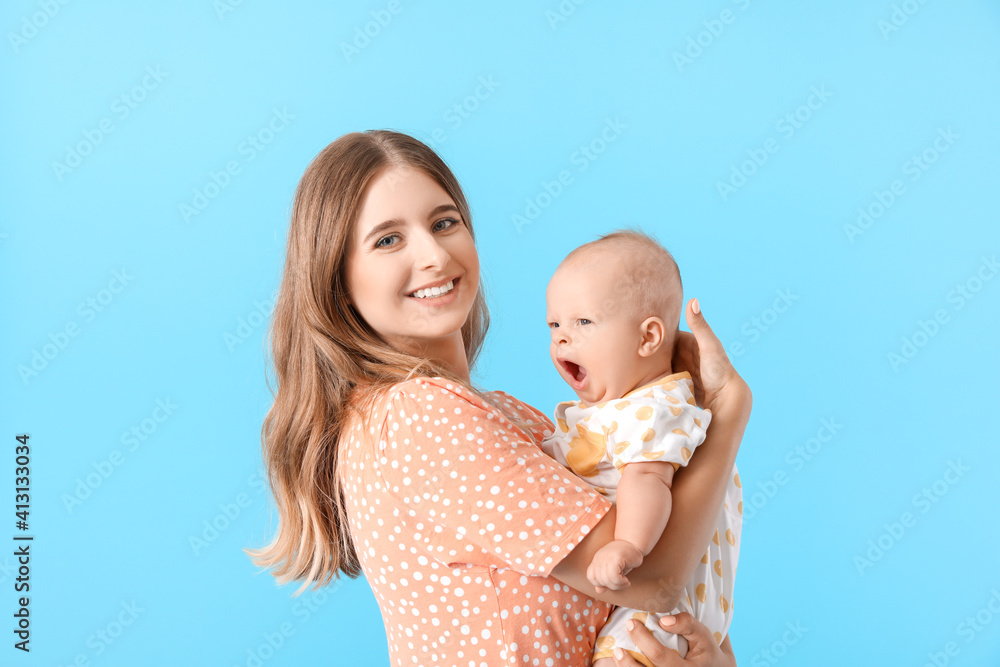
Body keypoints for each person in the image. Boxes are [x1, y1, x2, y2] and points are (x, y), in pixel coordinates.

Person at [244, 130, 753, 666]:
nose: (435, 255)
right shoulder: (420, 416)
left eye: (445, 223)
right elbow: (654, 579)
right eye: (388, 240)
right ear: (336, 277)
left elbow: (653, 599)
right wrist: (727, 410)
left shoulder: (510, 417)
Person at [539, 231, 742, 665]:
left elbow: (647, 479)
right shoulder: (625, 407)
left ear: (648, 338)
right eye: (554, 324)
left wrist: (627, 544)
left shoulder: (654, 410)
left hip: (662, 614)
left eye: (583, 323)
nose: (562, 339)